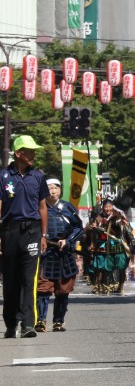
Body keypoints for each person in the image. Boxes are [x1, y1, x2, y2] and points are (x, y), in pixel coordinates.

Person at [1, 135, 49, 339]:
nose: (33, 154)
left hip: (32, 231)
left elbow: (42, 207)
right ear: (18, 153)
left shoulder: (38, 176)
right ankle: (11, 323)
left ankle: (28, 324)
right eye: (30, 151)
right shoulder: (3, 176)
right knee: (10, 280)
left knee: (30, 279)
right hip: (9, 231)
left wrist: (44, 235)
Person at [35, 179, 83, 332]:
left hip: (64, 254)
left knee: (63, 290)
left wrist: (68, 240)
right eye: (50, 188)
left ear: (60, 190)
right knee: (43, 289)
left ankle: (58, 321)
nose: (53, 191)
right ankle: (40, 320)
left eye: (56, 188)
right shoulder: (39, 207)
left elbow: (79, 228)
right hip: (46, 253)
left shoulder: (67, 207)